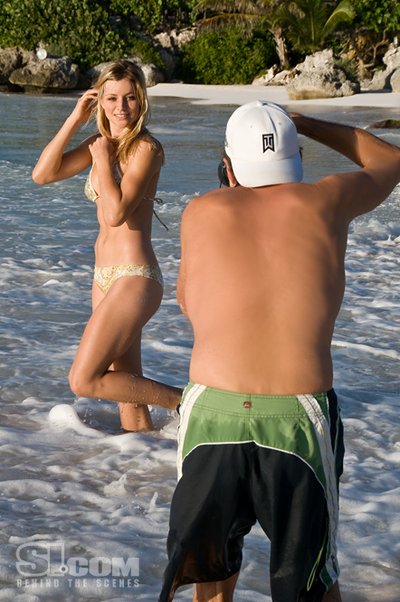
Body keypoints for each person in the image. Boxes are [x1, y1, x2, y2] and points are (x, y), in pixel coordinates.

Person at [159, 101, 400, 602]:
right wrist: (305, 123)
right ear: (297, 159)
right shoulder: (327, 200)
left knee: (209, 578)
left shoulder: (200, 210)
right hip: (297, 415)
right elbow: (391, 161)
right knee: (311, 585)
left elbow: (187, 302)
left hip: (214, 411)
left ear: (228, 165)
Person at [32, 60, 181, 432]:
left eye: (130, 98)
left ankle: (190, 401)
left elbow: (116, 214)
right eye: (112, 98)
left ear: (141, 100)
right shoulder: (99, 143)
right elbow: (43, 174)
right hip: (103, 278)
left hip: (136, 275)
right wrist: (74, 119)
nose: (121, 107)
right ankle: (142, 453)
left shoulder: (145, 148)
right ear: (99, 101)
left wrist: (100, 160)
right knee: (128, 394)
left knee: (84, 379)